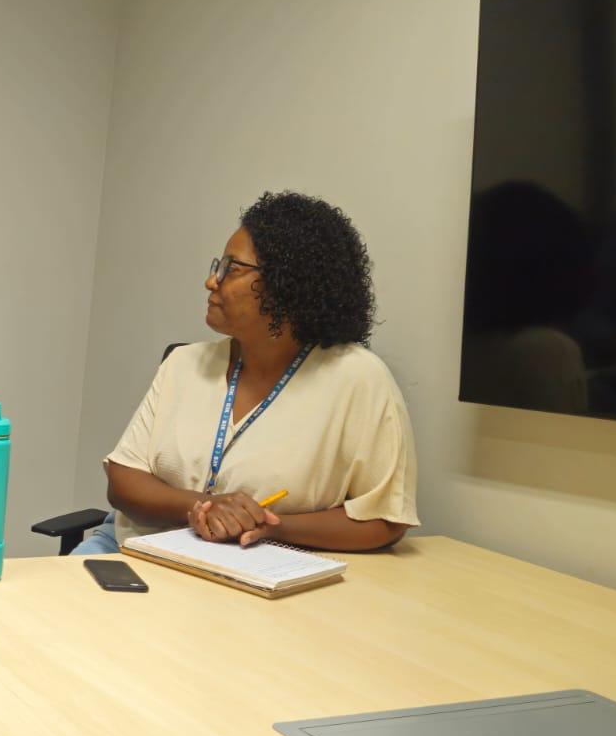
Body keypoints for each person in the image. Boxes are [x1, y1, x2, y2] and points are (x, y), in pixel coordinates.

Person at [76, 191, 418, 555]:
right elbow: (122, 481)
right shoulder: (184, 364)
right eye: (217, 267)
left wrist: (270, 526)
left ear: (288, 285)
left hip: (252, 565)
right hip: (135, 545)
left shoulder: (358, 380)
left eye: (232, 269)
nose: (212, 282)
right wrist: (200, 507)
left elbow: (385, 520)